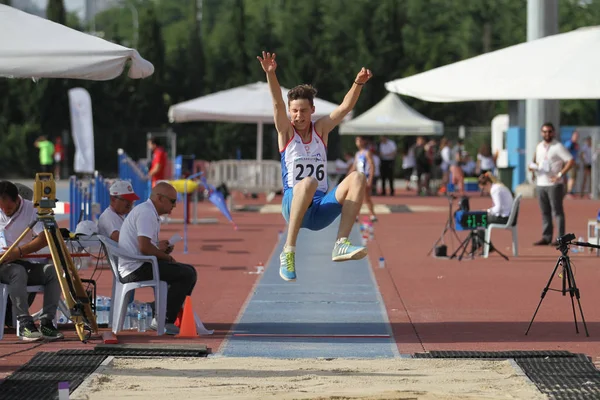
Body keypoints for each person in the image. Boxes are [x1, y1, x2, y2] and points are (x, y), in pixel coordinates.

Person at [257, 51, 372, 282]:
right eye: (295, 110)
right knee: (308, 181)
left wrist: (358, 83)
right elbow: (277, 103)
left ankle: (341, 243)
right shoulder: (286, 132)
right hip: (293, 203)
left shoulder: (321, 130)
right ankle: (288, 251)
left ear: (312, 110)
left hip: (319, 210)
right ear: (290, 112)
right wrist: (271, 74)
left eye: (303, 110)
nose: (298, 115)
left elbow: (344, 108)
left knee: (358, 177)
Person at [118, 182, 196, 335]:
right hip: (135, 268)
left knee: (187, 271)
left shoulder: (148, 212)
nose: (175, 205)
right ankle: (163, 319)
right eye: (173, 201)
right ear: (160, 198)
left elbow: (147, 246)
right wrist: (167, 257)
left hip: (138, 263)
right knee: (187, 274)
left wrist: (160, 248)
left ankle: (158, 309)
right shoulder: (147, 213)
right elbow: (145, 248)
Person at [0, 181, 63, 340]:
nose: (3, 211)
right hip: (3, 266)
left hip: (23, 260)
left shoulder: (32, 209)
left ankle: (47, 322)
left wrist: (19, 251)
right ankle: (24, 324)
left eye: (7, 208)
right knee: (17, 272)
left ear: (17, 200)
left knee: (53, 271)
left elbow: (44, 238)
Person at [529, 122, 574, 246]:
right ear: (541, 133)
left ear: (553, 133)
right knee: (545, 212)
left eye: (549, 131)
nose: (547, 134)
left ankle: (560, 238)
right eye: (544, 131)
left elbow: (570, 160)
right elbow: (535, 160)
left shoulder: (558, 146)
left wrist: (560, 174)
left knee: (557, 211)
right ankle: (546, 236)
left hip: (554, 184)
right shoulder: (539, 146)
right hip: (541, 183)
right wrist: (532, 169)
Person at [476, 172, 515, 247]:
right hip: (508, 215)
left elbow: (498, 208)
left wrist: (487, 211)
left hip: (505, 218)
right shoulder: (498, 186)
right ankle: (481, 245)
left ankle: (487, 246)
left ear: (487, 183)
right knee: (480, 220)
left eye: (483, 188)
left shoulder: (495, 190)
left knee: (478, 220)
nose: (484, 191)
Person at [348, 136, 377, 222]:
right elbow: (354, 166)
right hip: (359, 178)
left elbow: (372, 166)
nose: (357, 142)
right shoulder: (357, 154)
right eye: (356, 140)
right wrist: (347, 176)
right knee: (357, 196)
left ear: (364, 141)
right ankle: (356, 215)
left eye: (359, 140)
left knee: (366, 197)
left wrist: (370, 179)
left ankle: (372, 214)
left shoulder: (367, 153)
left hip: (366, 177)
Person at [564, 130, 580, 196]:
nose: (576, 137)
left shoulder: (576, 144)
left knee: (573, 177)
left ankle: (570, 190)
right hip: (569, 162)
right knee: (571, 177)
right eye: (575, 135)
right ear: (572, 136)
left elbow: (577, 154)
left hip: (574, 163)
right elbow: (565, 151)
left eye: (577, 136)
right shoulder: (569, 143)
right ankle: (569, 191)